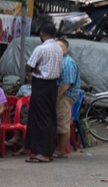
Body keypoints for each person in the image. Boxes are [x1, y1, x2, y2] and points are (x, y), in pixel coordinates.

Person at [23, 22, 63, 163]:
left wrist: (32, 70)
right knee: (50, 117)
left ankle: (42, 152)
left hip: (41, 85)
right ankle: (48, 150)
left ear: (42, 34)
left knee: (40, 118)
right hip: (52, 86)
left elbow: (28, 66)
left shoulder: (41, 49)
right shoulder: (58, 49)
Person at [55, 37, 80, 158]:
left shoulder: (68, 63)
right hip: (61, 95)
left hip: (65, 96)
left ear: (65, 50)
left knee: (62, 123)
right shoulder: (58, 61)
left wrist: (58, 97)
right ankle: (58, 148)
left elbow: (66, 84)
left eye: (59, 47)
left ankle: (61, 150)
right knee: (58, 122)